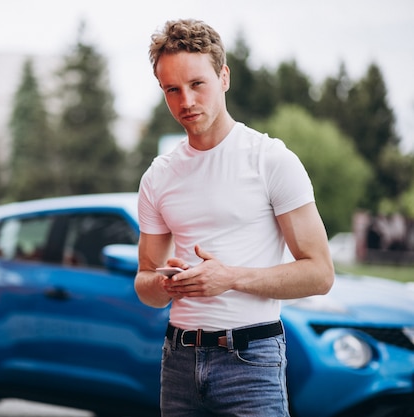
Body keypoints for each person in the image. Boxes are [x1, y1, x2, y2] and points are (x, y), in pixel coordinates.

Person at [134, 19, 335, 417]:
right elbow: (144, 283)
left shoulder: (271, 160)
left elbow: (320, 273)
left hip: (251, 360)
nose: (186, 101)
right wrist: (164, 284)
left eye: (197, 84)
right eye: (172, 90)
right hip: (178, 359)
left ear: (223, 77)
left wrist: (229, 278)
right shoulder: (158, 175)